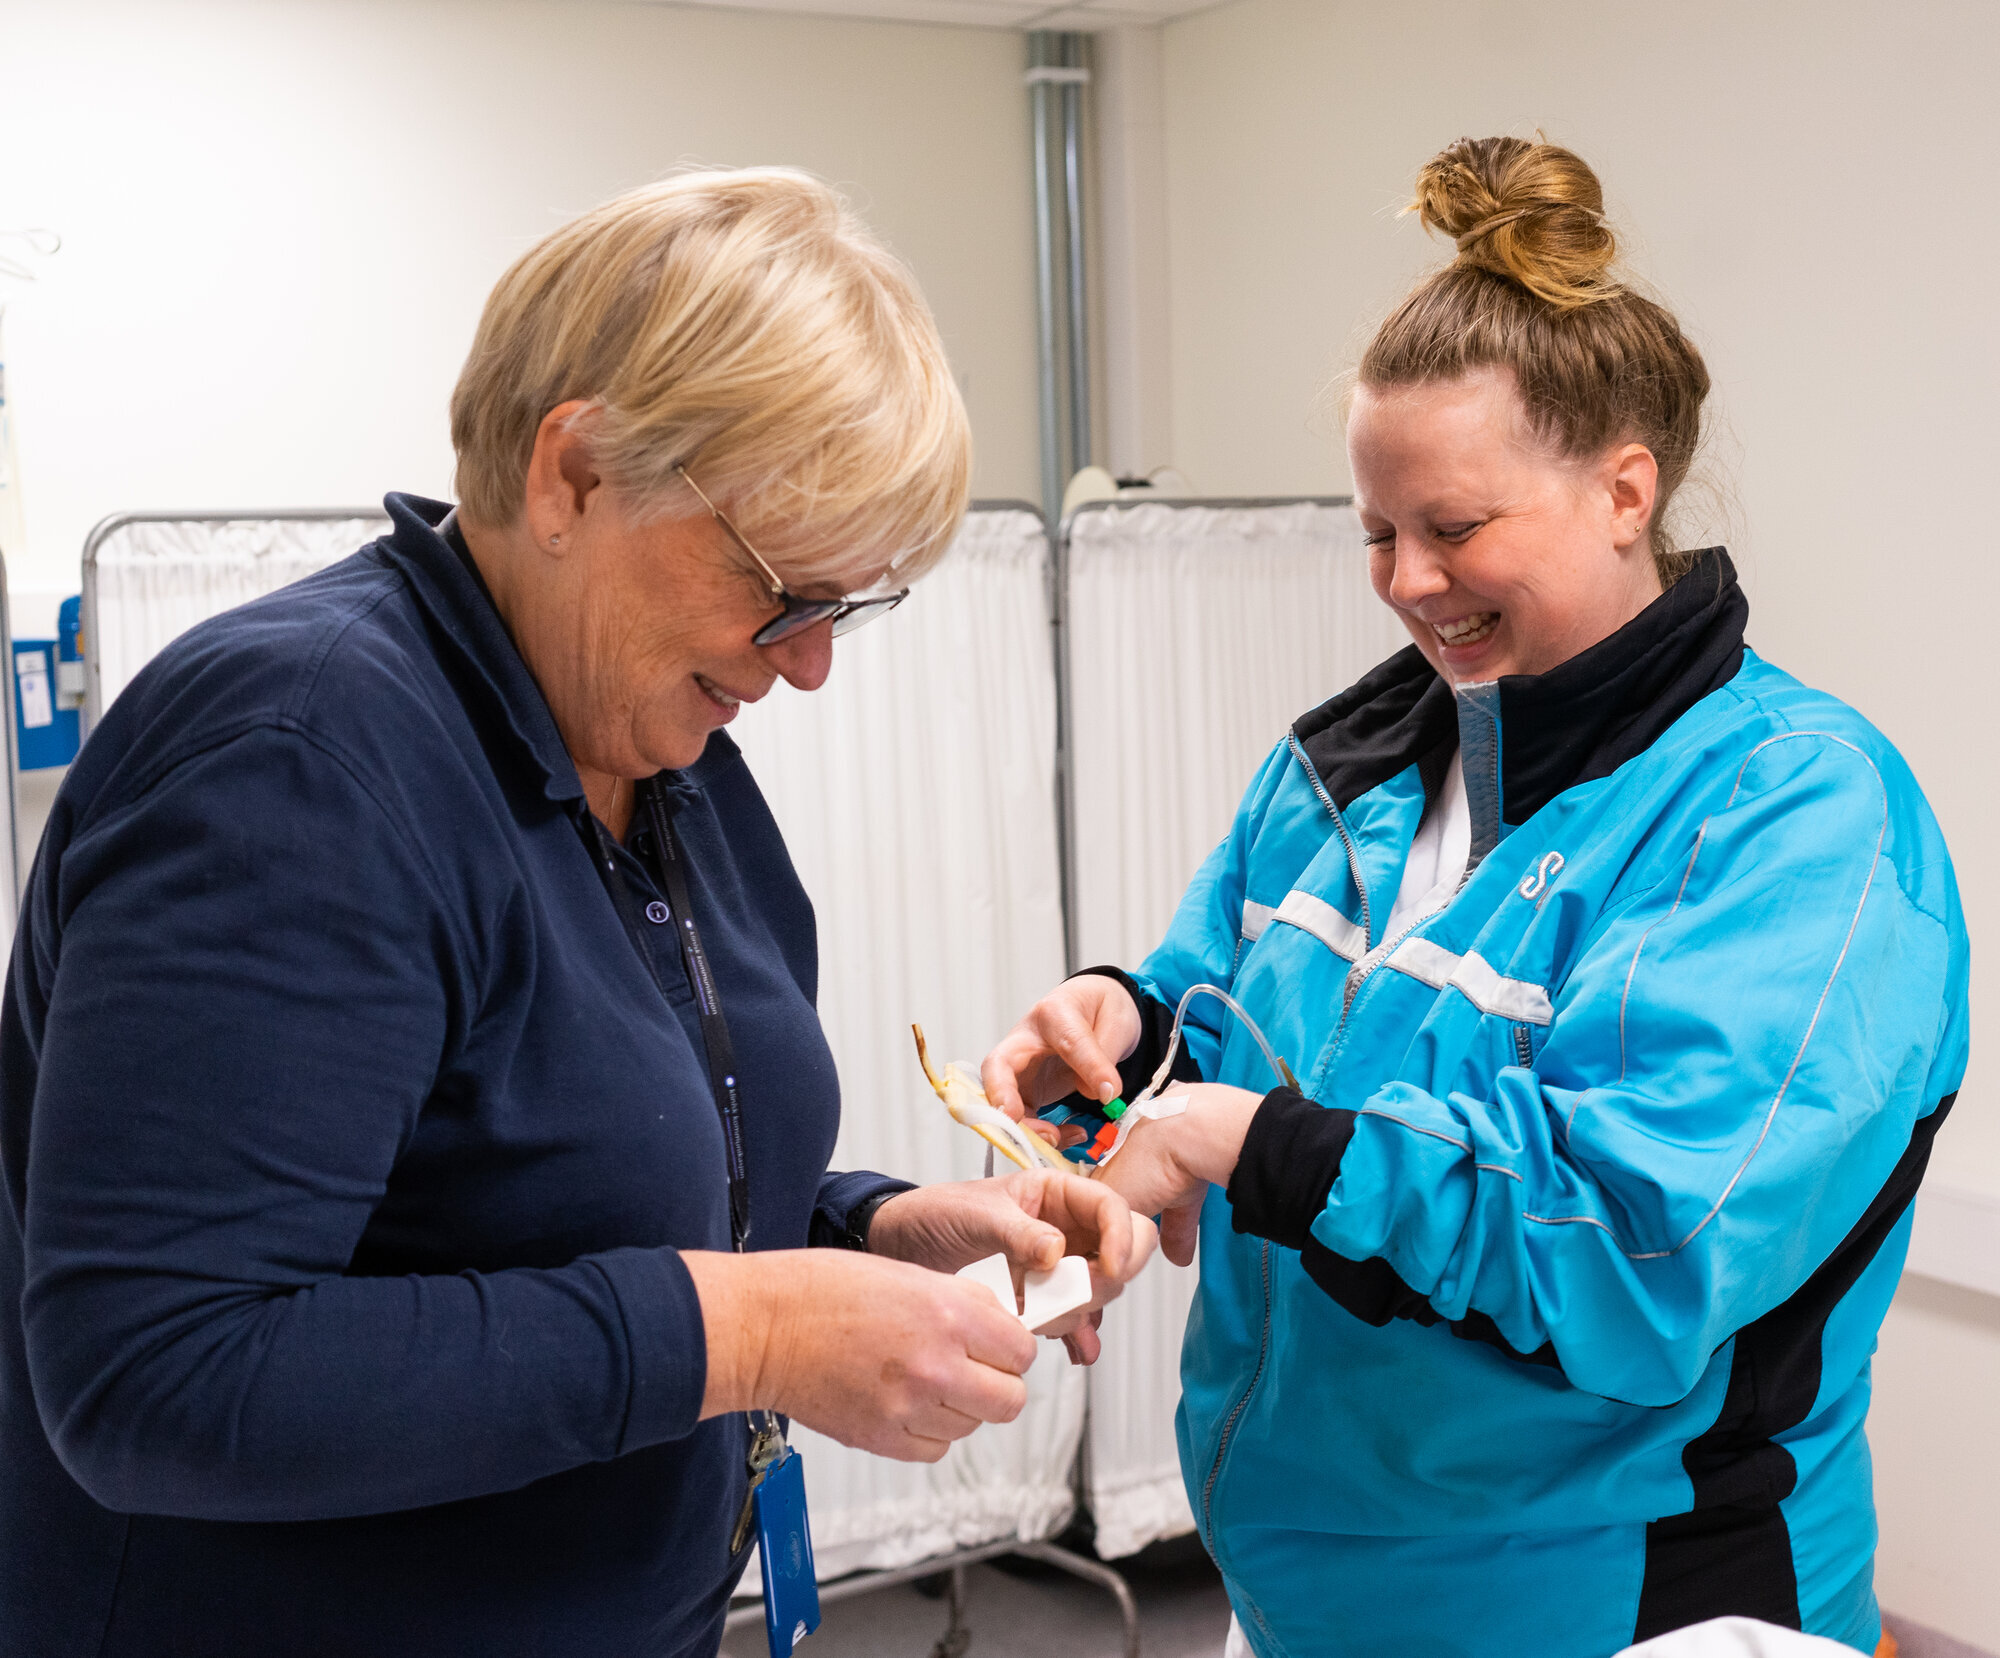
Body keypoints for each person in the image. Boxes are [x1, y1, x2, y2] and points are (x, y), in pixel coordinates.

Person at [0, 169, 1150, 1658]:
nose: (806, 670)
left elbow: (550, 1185)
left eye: (843, 612)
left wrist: (872, 1236)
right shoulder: (298, 763)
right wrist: (757, 1331)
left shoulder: (662, 762)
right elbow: (158, 1371)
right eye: (782, 591)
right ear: (574, 475)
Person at [983, 137, 1967, 1656]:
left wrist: (1236, 1139)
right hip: (1312, 1596)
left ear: (1625, 490)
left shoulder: (1799, 813)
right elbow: (1223, 1054)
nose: (1406, 578)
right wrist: (1127, 1035)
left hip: (1634, 1609)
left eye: (1457, 528)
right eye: (1379, 531)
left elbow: (1631, 1251)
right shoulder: (1341, 772)